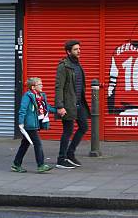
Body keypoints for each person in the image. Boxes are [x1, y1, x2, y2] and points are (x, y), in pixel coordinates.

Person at [55, 40, 90, 169]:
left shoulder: (77, 65)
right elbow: (59, 87)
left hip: (79, 102)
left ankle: (70, 153)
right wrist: (60, 106)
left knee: (84, 127)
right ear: (68, 52)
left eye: (79, 49)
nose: (79, 51)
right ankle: (61, 159)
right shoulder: (63, 66)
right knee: (67, 131)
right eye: (76, 49)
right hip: (68, 104)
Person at [11, 77, 55, 174]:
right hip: (29, 125)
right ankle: (41, 165)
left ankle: (16, 164)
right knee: (37, 144)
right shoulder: (28, 96)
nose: (42, 86)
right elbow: (22, 109)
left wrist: (58, 111)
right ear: (33, 87)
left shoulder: (40, 96)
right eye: (40, 84)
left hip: (34, 123)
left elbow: (46, 107)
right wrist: (21, 123)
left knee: (24, 144)